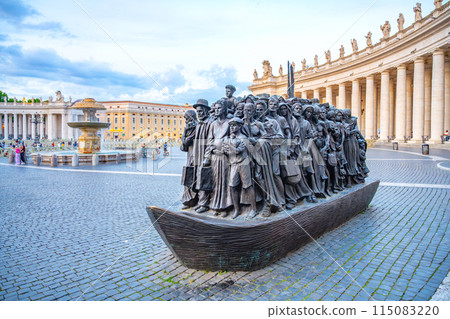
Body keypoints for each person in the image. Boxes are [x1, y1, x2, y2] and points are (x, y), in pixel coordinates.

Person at [223, 117, 257, 219]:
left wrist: (229, 146)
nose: (232, 127)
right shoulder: (230, 139)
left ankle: (254, 209)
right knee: (233, 186)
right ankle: (237, 209)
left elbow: (238, 150)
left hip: (243, 163)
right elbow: (226, 150)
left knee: (247, 186)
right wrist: (228, 146)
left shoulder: (243, 138)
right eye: (231, 125)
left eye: (234, 125)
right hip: (234, 164)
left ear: (240, 126)